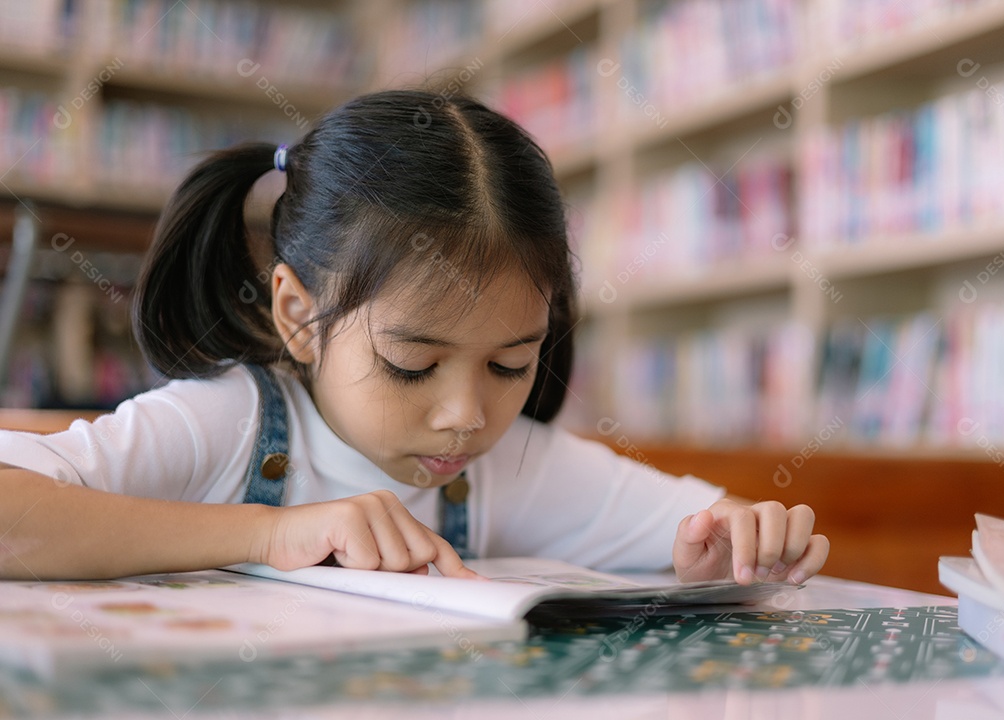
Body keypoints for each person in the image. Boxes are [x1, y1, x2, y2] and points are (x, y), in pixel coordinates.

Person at [0, 90, 828, 584]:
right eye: (412, 365)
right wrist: (271, 532)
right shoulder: (231, 424)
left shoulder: (511, 469)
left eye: (512, 363)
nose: (466, 415)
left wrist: (739, 546)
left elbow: (710, 527)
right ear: (299, 316)